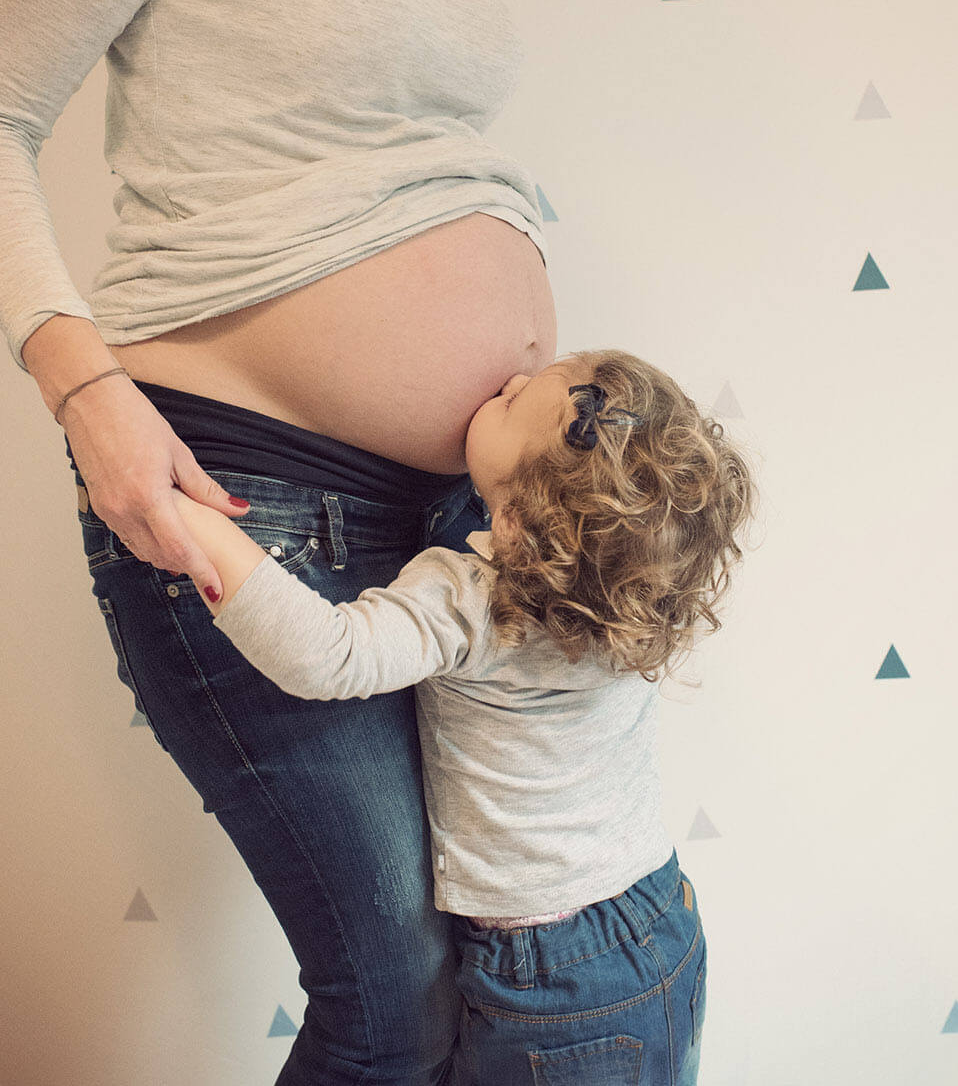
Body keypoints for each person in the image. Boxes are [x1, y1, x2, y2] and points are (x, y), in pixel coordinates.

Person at [0, 0, 628, 1081]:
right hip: (244, 494)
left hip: (464, 514)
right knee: (389, 993)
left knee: (509, 952)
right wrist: (82, 386)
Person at [161, 347, 756, 1085]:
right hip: (660, 916)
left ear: (513, 523)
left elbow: (328, 653)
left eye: (513, 403)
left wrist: (180, 515)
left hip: (552, 978)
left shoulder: (475, 597)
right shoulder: (624, 599)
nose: (507, 382)